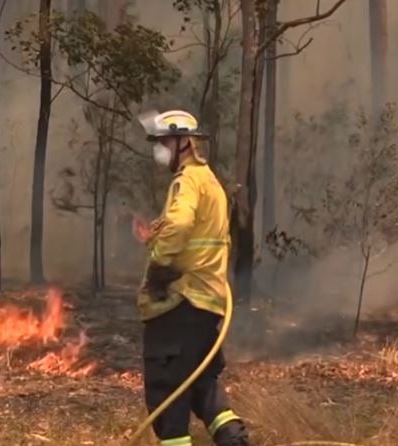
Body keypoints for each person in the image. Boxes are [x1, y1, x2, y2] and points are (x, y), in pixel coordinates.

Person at [134, 110, 250, 446]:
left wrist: (159, 264)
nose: (160, 149)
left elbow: (181, 224)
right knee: (202, 387)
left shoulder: (187, 181)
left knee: (167, 393)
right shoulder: (210, 182)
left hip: (180, 304)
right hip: (205, 306)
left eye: (164, 141)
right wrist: (154, 236)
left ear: (184, 141)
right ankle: (235, 441)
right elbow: (197, 236)